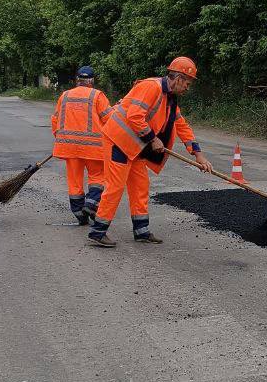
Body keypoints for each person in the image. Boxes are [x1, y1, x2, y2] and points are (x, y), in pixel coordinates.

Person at [88, 56, 213, 248]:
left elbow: (182, 126)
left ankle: (141, 231)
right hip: (118, 142)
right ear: (177, 78)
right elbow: (134, 116)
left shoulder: (170, 99)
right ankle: (98, 232)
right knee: (115, 186)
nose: (188, 87)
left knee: (140, 187)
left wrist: (198, 153)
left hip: (136, 148)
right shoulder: (151, 87)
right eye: (187, 82)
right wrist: (153, 139)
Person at [50, 65, 111, 224]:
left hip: (69, 148)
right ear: (91, 81)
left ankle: (79, 213)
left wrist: (60, 137)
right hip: (94, 148)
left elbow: (55, 119)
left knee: (74, 181)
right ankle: (91, 203)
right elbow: (109, 119)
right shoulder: (97, 95)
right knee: (98, 176)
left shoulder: (65, 96)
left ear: (77, 80)